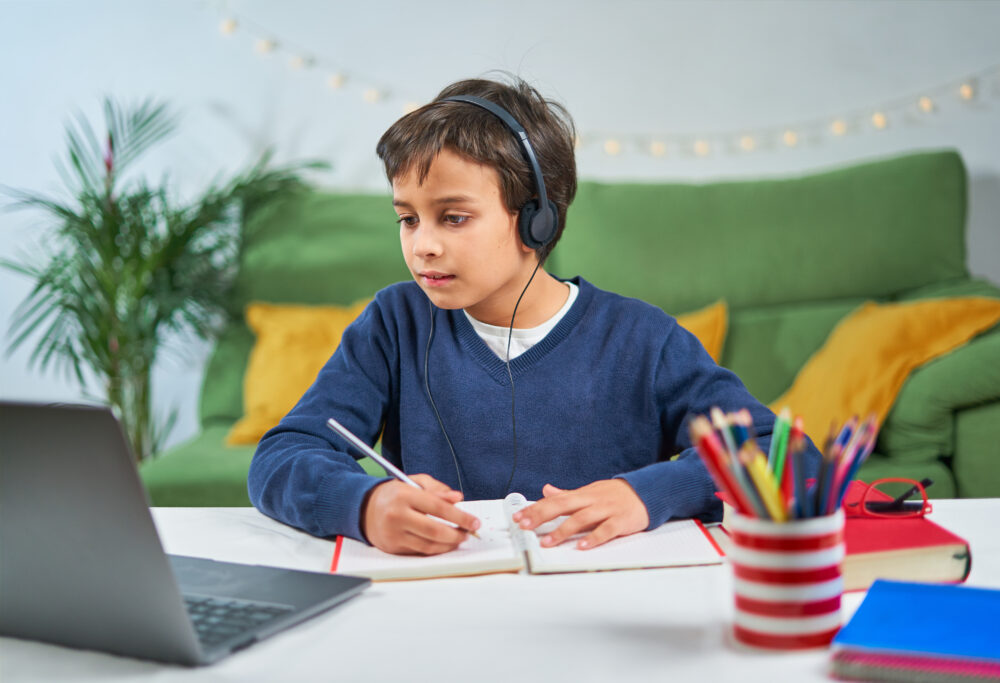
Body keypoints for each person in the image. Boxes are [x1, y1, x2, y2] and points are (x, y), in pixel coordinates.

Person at [247, 75, 821, 556]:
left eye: (453, 217)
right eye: (408, 219)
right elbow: (281, 457)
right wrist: (365, 503)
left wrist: (646, 494)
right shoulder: (394, 325)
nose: (422, 245)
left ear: (535, 220)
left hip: (602, 604)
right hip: (444, 607)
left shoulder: (643, 339)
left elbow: (790, 458)